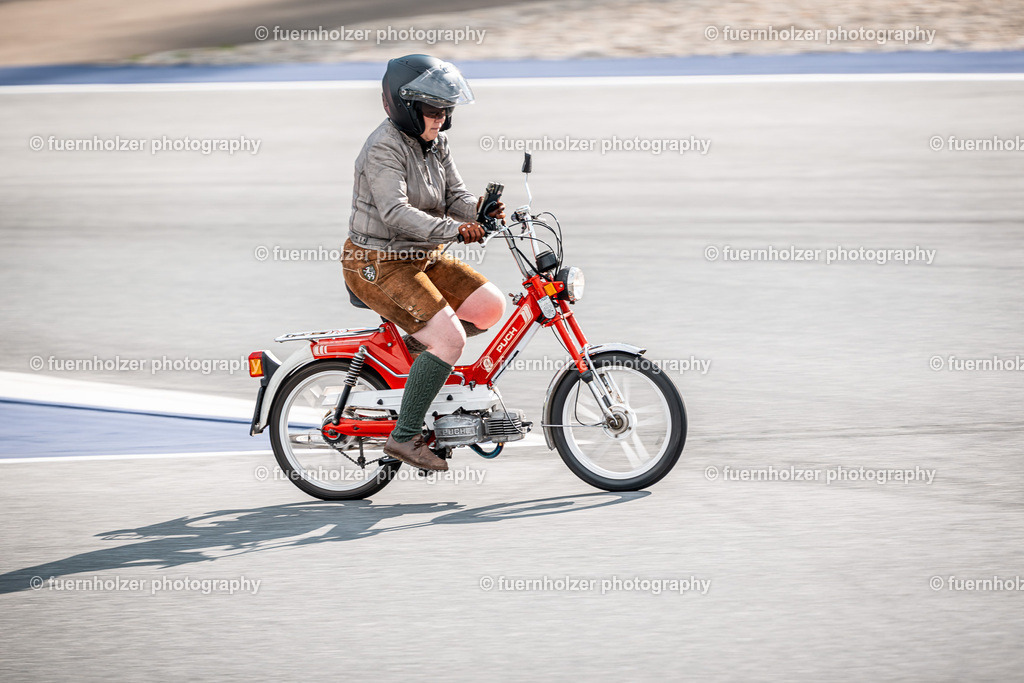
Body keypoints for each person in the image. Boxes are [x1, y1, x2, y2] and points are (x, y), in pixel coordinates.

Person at [342, 54, 506, 472]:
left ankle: (422, 354)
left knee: (490, 307)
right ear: (406, 107)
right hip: (377, 262)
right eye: (433, 111)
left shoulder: (436, 143)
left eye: (446, 111)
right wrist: (454, 231)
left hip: (421, 255)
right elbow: (395, 213)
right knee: (451, 340)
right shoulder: (383, 147)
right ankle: (404, 437)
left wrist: (482, 211)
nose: (442, 119)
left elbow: (455, 199)